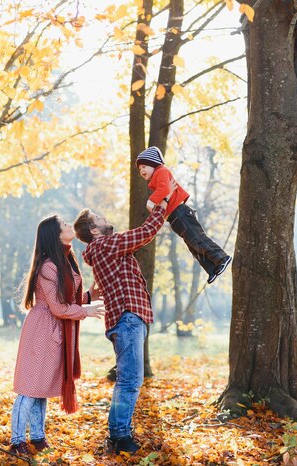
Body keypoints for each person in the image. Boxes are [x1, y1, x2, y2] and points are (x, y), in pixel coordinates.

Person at [73, 181, 175, 456]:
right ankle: (119, 436)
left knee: (130, 379)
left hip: (129, 319)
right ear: (94, 230)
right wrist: (162, 206)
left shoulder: (105, 250)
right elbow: (144, 233)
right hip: (128, 318)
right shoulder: (106, 244)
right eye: (100, 218)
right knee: (129, 381)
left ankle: (121, 432)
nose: (106, 219)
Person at [9, 215, 105, 460]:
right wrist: (86, 311)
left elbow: (67, 298)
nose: (68, 225)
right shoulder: (49, 267)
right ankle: (17, 440)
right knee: (29, 388)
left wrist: (89, 295)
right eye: (63, 224)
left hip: (56, 330)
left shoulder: (65, 261)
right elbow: (59, 308)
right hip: (42, 329)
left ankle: (38, 436)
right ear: (54, 235)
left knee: (40, 387)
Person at [136, 146, 232, 284]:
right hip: (174, 218)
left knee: (196, 238)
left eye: (144, 166)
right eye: (140, 169)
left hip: (180, 212)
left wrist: (150, 202)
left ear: (153, 163)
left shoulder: (161, 171)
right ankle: (211, 268)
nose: (142, 171)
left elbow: (165, 189)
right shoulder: (156, 178)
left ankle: (221, 257)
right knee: (192, 245)